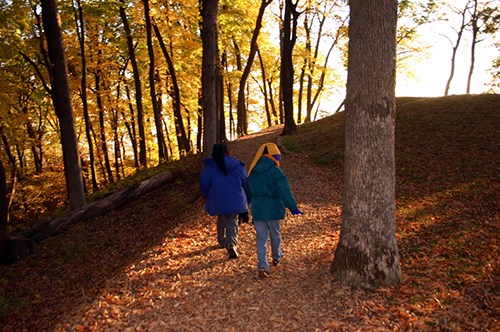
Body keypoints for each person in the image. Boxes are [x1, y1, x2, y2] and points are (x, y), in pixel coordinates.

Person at [246, 143, 303, 278]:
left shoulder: (252, 171)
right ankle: (277, 256)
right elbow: (284, 191)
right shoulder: (276, 171)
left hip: (258, 209)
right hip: (273, 208)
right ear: (274, 156)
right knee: (275, 233)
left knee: (261, 239)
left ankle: (262, 266)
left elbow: (248, 189)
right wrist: (293, 208)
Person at [200, 143, 249, 259]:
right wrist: (248, 197)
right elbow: (245, 181)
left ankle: (222, 240)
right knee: (232, 219)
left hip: (218, 197)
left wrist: (205, 195)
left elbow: (204, 182)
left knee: (221, 216)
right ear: (227, 152)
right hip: (235, 197)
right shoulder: (237, 165)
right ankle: (231, 243)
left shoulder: (210, 166)